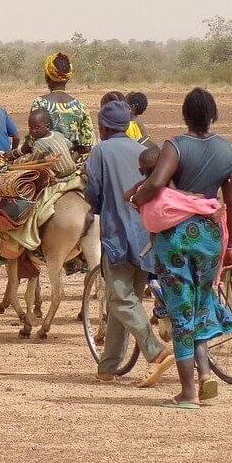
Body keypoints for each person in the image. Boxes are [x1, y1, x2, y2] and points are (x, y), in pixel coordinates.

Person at [128, 87, 232, 408]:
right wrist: (230, 243)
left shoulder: (175, 146)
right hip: (210, 236)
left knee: (181, 312)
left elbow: (154, 183)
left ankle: (188, 392)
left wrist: (137, 199)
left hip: (176, 237)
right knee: (202, 305)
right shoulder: (228, 151)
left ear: (185, 115)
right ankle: (205, 375)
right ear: (213, 115)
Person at [84, 100, 174, 385]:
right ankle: (108, 367)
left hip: (118, 236)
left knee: (121, 301)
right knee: (123, 300)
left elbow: (93, 191)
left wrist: (99, 207)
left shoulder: (100, 152)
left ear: (103, 127)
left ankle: (156, 352)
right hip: (146, 235)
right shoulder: (142, 150)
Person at [33, 52, 95, 156]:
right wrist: (70, 161)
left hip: (45, 164)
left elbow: (32, 141)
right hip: (72, 164)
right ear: (68, 78)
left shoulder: (40, 103)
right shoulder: (80, 107)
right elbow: (86, 145)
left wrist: (15, 153)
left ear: (47, 76)